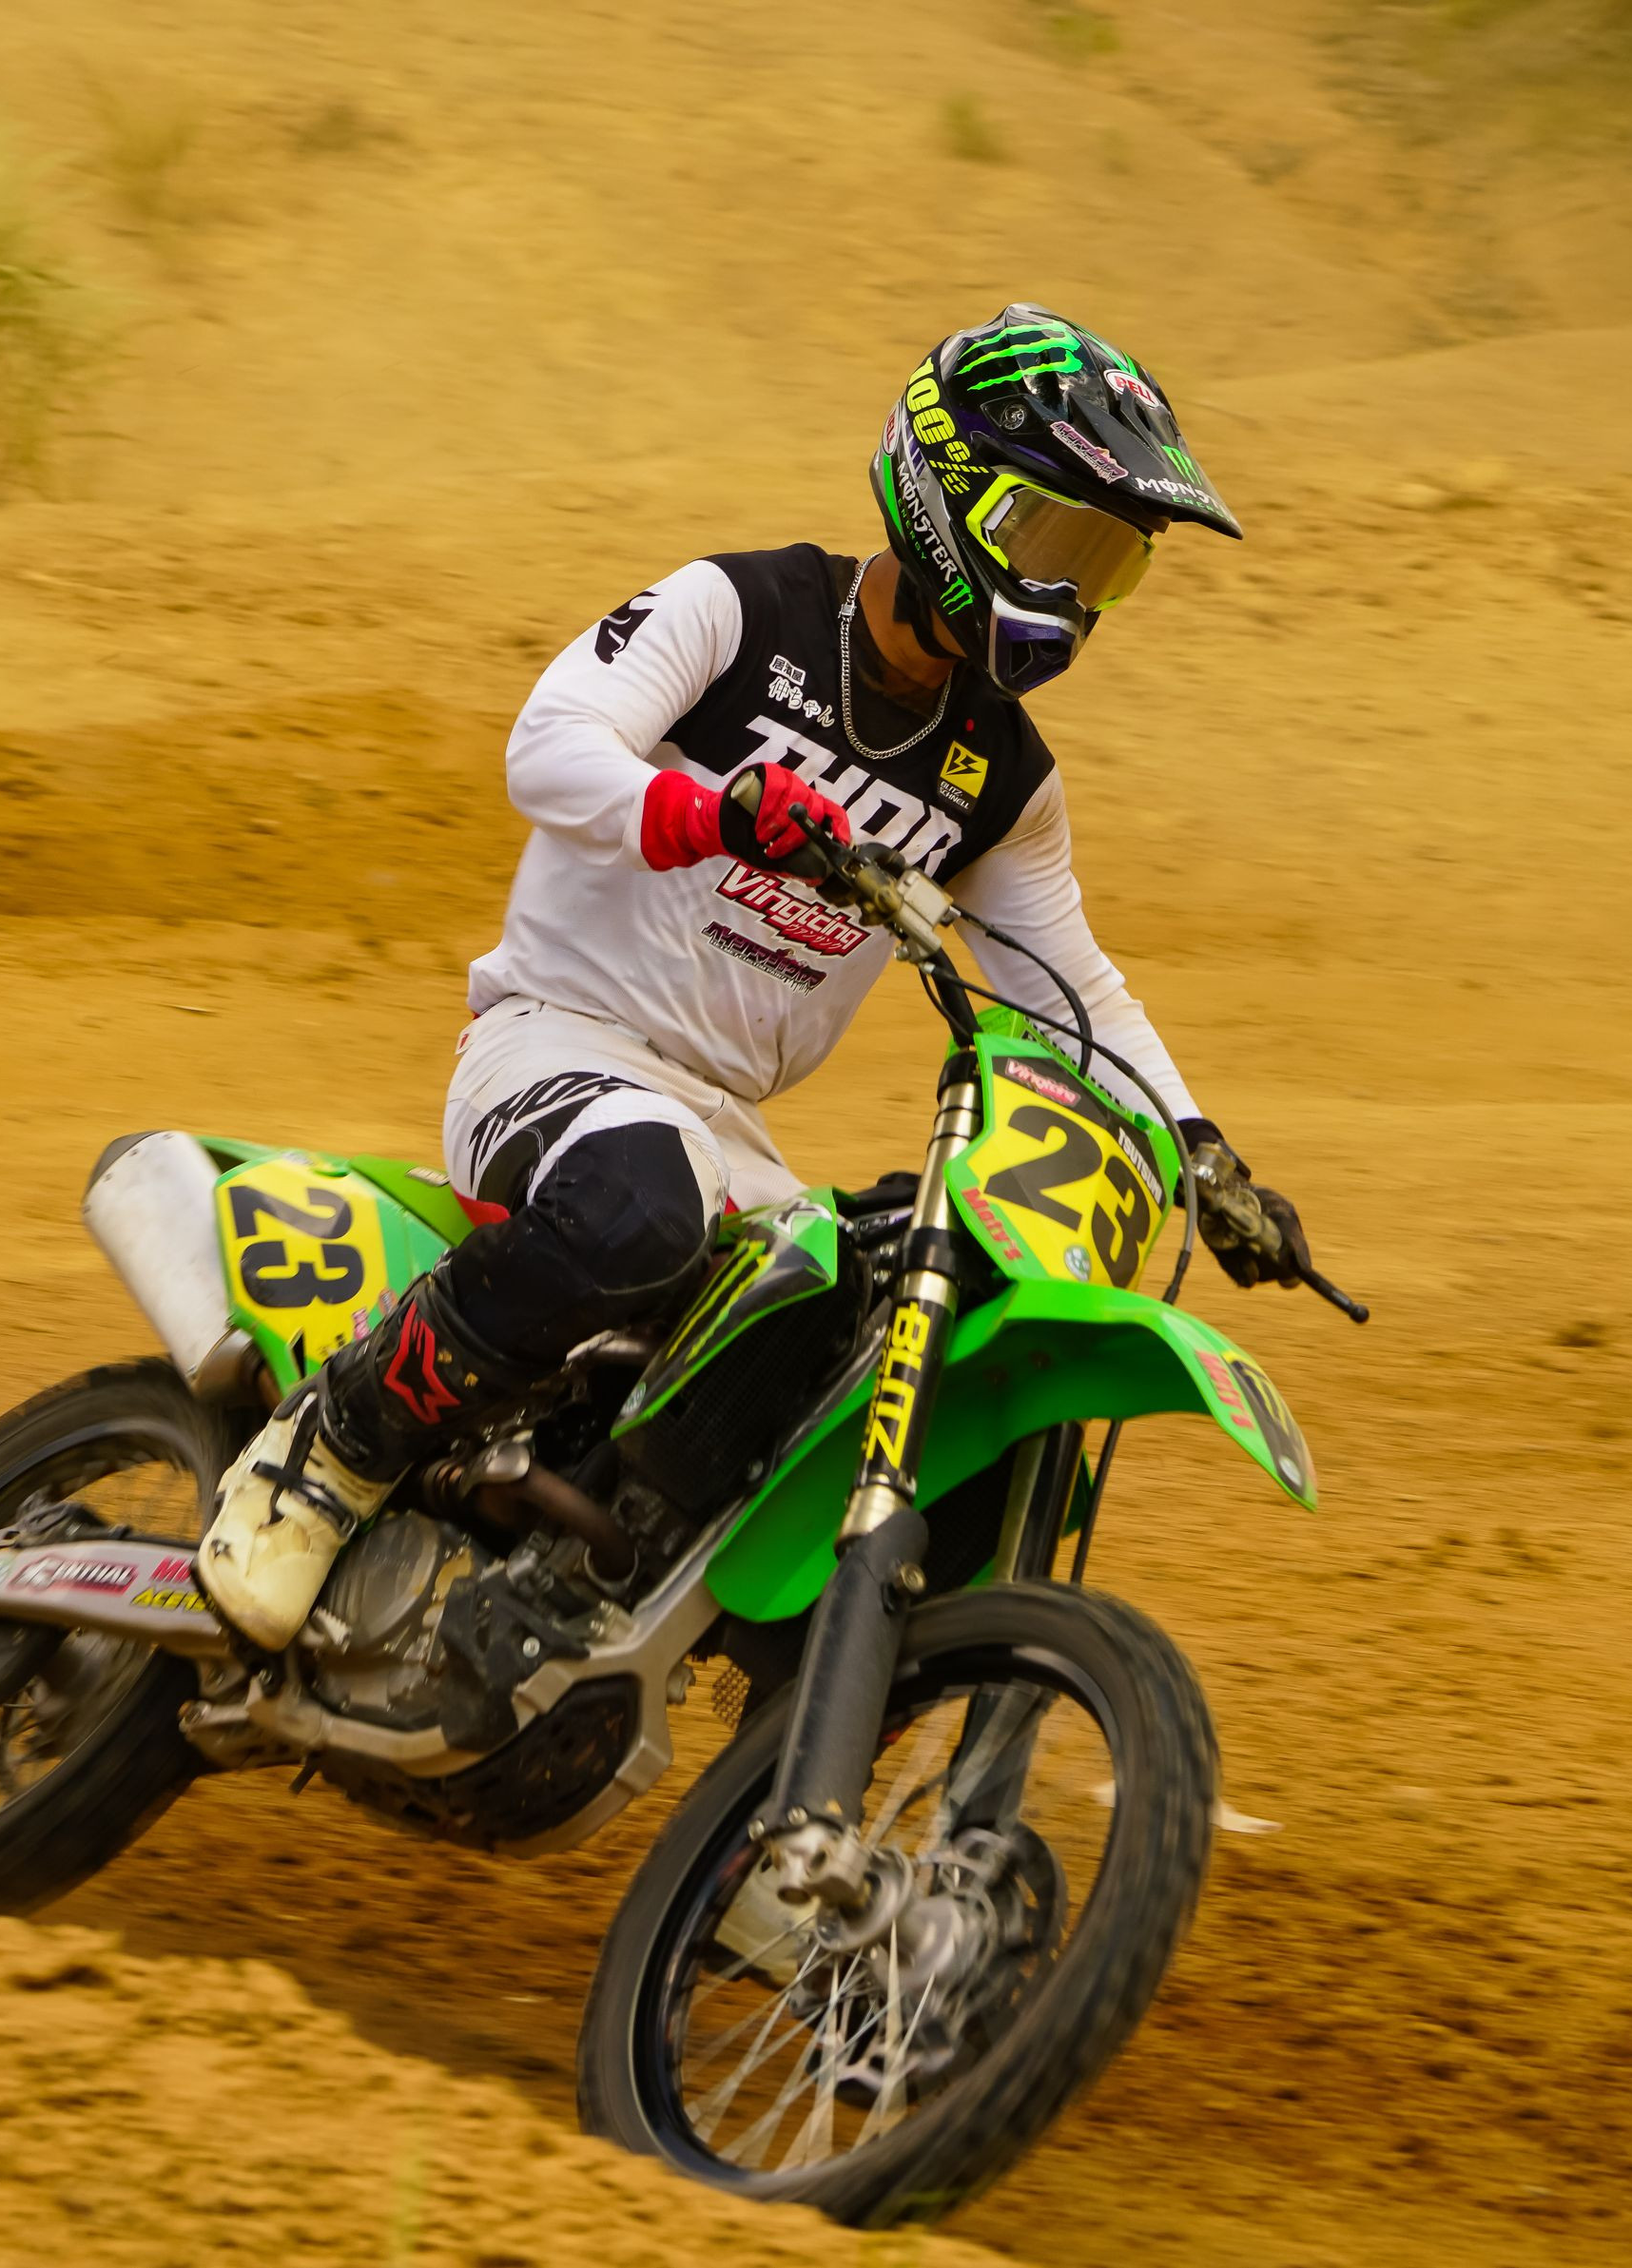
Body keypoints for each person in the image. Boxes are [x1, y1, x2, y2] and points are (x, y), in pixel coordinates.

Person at [195, 303, 1319, 1651]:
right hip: (557, 1044)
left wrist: (1199, 1150)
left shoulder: (1005, 780)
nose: (1075, 597)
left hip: (726, 1129)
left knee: (887, 1321)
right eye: (1058, 545)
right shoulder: (740, 611)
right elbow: (548, 744)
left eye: (1106, 566)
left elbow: (1071, 986)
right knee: (641, 1205)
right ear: (953, 494)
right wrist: (714, 809)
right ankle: (329, 1446)